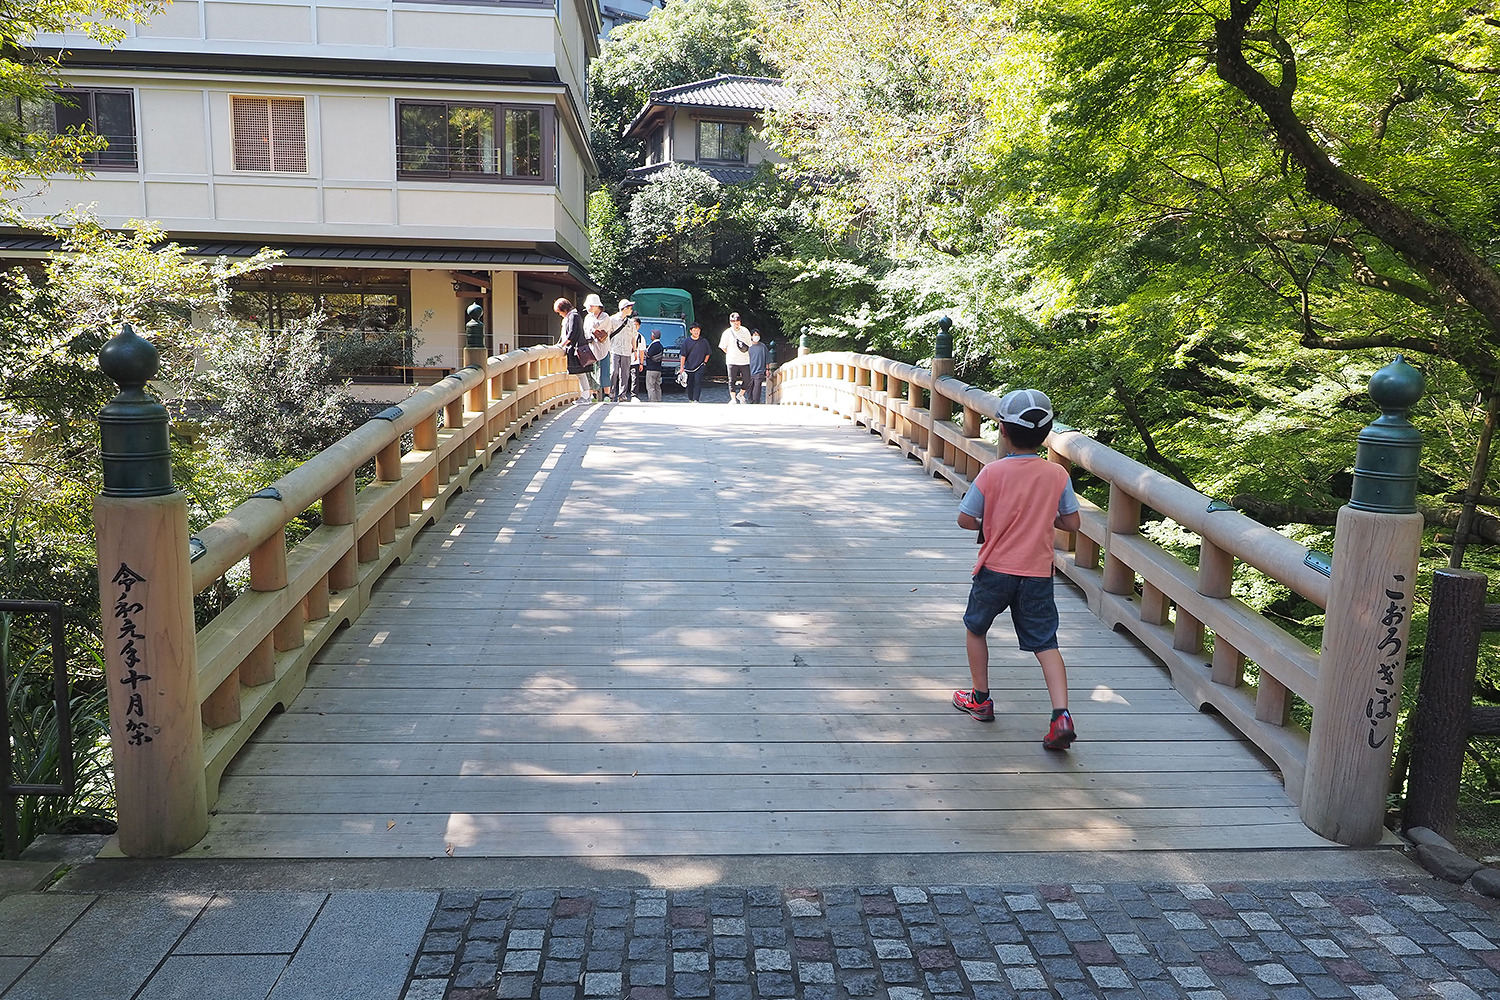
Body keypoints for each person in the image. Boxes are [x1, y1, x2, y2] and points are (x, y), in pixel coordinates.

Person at [951, 388, 1082, 751]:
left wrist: (992, 521)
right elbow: (1072, 524)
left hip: (995, 569)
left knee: (975, 629)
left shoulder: (992, 473)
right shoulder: (1056, 475)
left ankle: (980, 698)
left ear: (1002, 431)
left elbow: (965, 519)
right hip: (1037, 574)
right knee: (1046, 643)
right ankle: (1061, 715)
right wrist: (1045, 516)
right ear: (1047, 431)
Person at [555, 296, 597, 403]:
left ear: (564, 310)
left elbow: (571, 333)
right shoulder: (573, 315)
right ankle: (585, 396)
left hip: (577, 349)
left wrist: (561, 345)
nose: (560, 314)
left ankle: (586, 397)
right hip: (576, 348)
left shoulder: (573, 316)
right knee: (581, 374)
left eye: (560, 312)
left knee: (581, 374)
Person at [606, 298, 639, 402]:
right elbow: (607, 335)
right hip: (614, 349)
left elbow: (633, 337)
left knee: (625, 373)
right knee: (614, 371)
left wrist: (635, 351)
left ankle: (622, 394)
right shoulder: (612, 320)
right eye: (629, 308)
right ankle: (611, 393)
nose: (631, 310)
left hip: (627, 350)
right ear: (624, 309)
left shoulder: (630, 323)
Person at [581, 294, 612, 400]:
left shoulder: (605, 316)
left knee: (605, 371)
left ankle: (607, 395)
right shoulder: (588, 317)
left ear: (596, 306)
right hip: (591, 348)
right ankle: (593, 394)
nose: (588, 309)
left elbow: (597, 326)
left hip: (603, 348)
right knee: (592, 372)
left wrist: (592, 327)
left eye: (590, 306)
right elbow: (586, 330)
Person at [719, 311, 751, 404]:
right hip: (731, 360)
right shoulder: (727, 333)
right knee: (732, 380)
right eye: (734, 323)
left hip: (744, 359)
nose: (736, 325)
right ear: (730, 322)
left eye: (738, 323)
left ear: (740, 322)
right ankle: (733, 398)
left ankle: (741, 394)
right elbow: (722, 346)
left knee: (747, 379)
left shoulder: (745, 331)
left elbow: (749, 344)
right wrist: (729, 353)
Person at [679, 322, 712, 402]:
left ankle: (696, 399)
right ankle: (691, 399)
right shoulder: (686, 342)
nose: (696, 332)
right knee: (690, 383)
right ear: (691, 331)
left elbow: (708, 353)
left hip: (700, 366)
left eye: (697, 330)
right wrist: (681, 367)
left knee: (698, 382)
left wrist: (704, 362)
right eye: (694, 330)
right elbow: (683, 355)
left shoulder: (704, 341)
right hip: (689, 366)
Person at [643, 327, 665, 402]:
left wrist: (645, 352)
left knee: (650, 386)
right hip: (658, 369)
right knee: (657, 386)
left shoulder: (654, 345)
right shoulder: (661, 345)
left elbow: (649, 354)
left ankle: (652, 400)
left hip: (651, 369)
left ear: (653, 336)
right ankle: (658, 399)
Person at [746, 329, 768, 404]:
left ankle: (756, 402)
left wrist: (767, 369)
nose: (756, 336)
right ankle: (750, 401)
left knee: (757, 389)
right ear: (751, 336)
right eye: (755, 335)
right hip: (748, 371)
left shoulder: (763, 347)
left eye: (758, 335)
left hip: (759, 371)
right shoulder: (748, 346)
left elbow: (767, 358)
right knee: (749, 389)